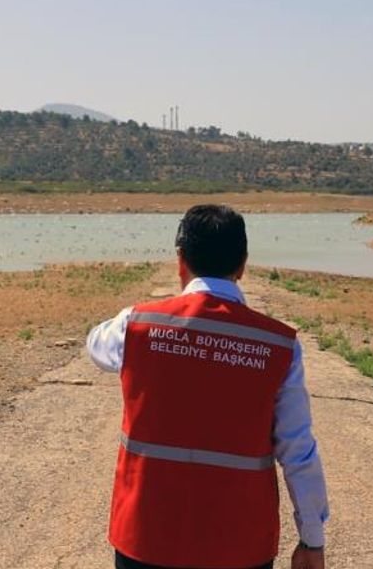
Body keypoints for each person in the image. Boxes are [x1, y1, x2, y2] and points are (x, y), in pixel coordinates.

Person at [87, 204, 329, 569]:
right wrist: (312, 539)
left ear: (180, 260)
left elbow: (96, 345)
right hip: (239, 546)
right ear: (242, 265)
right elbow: (298, 451)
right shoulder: (279, 346)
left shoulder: (135, 325)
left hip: (146, 539)